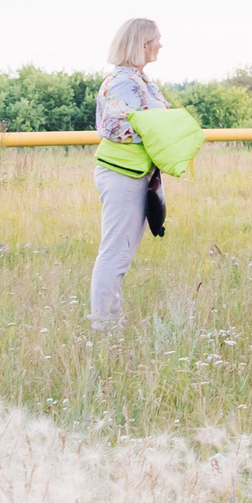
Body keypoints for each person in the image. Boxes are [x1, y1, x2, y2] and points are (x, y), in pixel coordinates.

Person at [91, 17, 171, 327]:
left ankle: (109, 320)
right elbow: (113, 127)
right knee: (116, 252)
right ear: (143, 44)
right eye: (157, 39)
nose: (161, 44)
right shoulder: (125, 81)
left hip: (136, 173)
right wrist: (158, 131)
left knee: (121, 251)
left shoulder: (140, 79)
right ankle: (104, 326)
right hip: (123, 174)